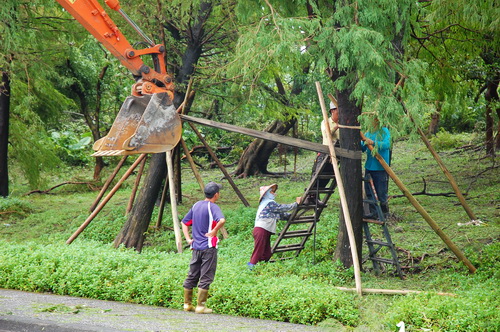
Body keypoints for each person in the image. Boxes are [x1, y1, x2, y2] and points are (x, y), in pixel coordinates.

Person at [181, 181, 226, 314]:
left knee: (192, 274)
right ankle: (201, 306)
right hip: (208, 247)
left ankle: (187, 304)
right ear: (216, 195)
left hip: (195, 247)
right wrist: (213, 232)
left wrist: (188, 239)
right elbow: (222, 220)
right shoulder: (213, 207)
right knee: (206, 275)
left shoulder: (196, 205)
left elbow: (184, 222)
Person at [247, 184, 298, 269]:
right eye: (271, 191)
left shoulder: (266, 204)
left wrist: (294, 216)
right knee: (258, 250)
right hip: (261, 229)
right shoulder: (269, 203)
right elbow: (282, 208)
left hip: (265, 230)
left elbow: (281, 215)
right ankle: (251, 267)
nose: (273, 193)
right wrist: (296, 204)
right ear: (266, 193)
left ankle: (262, 267)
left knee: (266, 252)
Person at [304, 101, 339, 206]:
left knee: (327, 178)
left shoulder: (344, 123)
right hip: (325, 154)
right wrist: (336, 127)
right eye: (338, 111)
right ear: (332, 111)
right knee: (318, 175)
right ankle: (309, 197)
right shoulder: (326, 122)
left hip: (336, 156)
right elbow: (327, 135)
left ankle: (315, 197)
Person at [361, 115, 391, 218]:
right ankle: (374, 213)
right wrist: (361, 142)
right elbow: (362, 148)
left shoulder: (384, 131)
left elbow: (387, 144)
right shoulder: (367, 133)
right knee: (369, 192)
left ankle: (384, 213)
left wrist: (373, 142)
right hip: (369, 167)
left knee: (381, 192)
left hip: (381, 167)